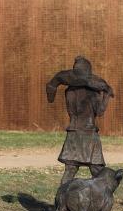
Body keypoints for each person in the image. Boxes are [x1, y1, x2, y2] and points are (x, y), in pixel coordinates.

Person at [46, 56, 114, 185]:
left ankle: (62, 195)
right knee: (97, 170)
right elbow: (99, 112)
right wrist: (106, 96)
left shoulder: (69, 91)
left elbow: (51, 92)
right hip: (89, 133)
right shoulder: (92, 92)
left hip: (73, 132)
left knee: (70, 170)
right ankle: (100, 195)